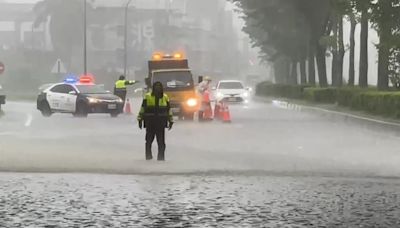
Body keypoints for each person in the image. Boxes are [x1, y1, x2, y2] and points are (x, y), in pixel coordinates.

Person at [137, 82, 174, 161]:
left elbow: (169, 110)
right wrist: (140, 119)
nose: (158, 88)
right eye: (156, 87)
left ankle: (161, 158)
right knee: (149, 141)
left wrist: (171, 121)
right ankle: (148, 157)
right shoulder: (147, 96)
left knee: (161, 142)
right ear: (153, 88)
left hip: (161, 123)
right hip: (150, 122)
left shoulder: (165, 97)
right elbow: (142, 108)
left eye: (159, 87)